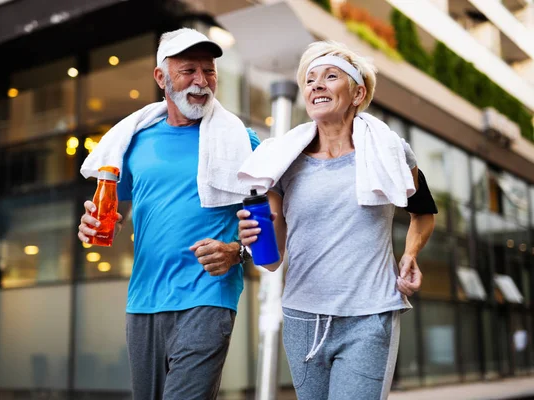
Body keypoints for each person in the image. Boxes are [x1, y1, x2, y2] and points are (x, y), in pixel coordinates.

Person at [237, 40, 437, 399]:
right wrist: (255, 236)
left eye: (330, 76)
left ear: (358, 92)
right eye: (310, 80)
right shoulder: (282, 161)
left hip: (370, 314)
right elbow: (272, 258)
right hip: (302, 316)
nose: (317, 85)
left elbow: (423, 213)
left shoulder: (390, 151)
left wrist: (410, 254)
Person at [77, 28, 260, 400]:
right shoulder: (133, 142)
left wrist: (237, 252)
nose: (201, 81)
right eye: (188, 70)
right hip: (143, 299)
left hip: (207, 295)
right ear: (161, 78)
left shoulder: (241, 141)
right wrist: (90, 223)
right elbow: (115, 208)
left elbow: (272, 222)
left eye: (208, 71)